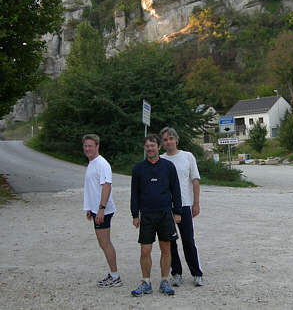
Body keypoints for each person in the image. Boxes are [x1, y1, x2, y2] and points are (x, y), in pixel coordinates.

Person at [130, 134, 182, 297]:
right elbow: (134, 194)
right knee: (145, 250)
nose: (150, 149)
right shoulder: (138, 168)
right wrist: (135, 214)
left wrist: (177, 211)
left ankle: (164, 280)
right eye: (147, 146)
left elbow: (176, 190)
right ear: (144, 148)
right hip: (146, 215)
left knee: (166, 248)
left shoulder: (168, 167)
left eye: (153, 145)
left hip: (165, 213)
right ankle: (146, 282)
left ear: (159, 147)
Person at [160, 127, 204, 287]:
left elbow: (195, 180)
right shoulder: (161, 159)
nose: (169, 142)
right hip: (167, 207)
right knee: (170, 242)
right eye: (165, 139)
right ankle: (176, 272)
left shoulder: (187, 156)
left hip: (185, 205)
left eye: (171, 138)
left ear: (176, 140)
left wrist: (196, 202)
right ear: (162, 143)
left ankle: (197, 273)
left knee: (188, 241)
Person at [82, 134, 122, 288]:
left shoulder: (102, 164)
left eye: (90, 146)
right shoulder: (92, 163)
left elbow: (107, 186)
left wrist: (101, 209)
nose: (87, 149)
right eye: (85, 146)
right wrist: (89, 208)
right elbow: (92, 188)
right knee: (103, 243)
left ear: (97, 146)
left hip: (103, 210)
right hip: (96, 209)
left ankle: (115, 276)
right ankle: (113, 274)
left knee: (105, 244)